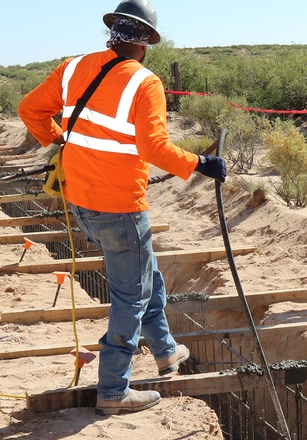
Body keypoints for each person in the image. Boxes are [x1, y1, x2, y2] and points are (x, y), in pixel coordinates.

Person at [18, 0, 226, 416]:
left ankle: (166, 352)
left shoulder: (74, 67)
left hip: (81, 200)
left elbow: (29, 109)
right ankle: (113, 388)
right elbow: (154, 147)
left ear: (112, 32)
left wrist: (59, 139)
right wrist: (200, 163)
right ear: (147, 41)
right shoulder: (145, 82)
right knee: (130, 295)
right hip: (120, 206)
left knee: (146, 276)